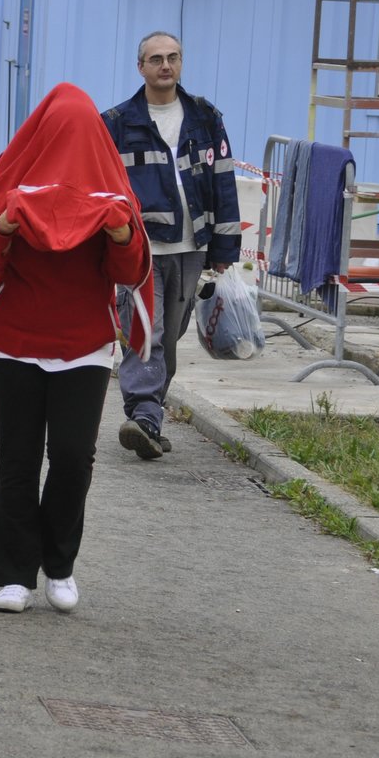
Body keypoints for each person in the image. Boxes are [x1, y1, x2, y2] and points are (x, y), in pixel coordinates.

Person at [0, 84, 152, 613]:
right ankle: (15, 574)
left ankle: (60, 565)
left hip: (83, 345)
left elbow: (132, 273)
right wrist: (2, 226)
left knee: (73, 458)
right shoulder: (15, 183)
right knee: (18, 459)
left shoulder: (111, 191)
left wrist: (119, 234)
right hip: (10, 342)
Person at [100, 31, 240, 460]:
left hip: (191, 247)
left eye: (173, 57)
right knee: (149, 332)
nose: (166, 65)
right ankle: (143, 414)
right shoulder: (117, 122)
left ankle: (150, 415)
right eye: (156, 59)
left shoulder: (205, 117)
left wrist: (224, 249)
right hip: (138, 249)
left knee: (171, 334)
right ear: (139, 67)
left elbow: (223, 181)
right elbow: (102, 187)